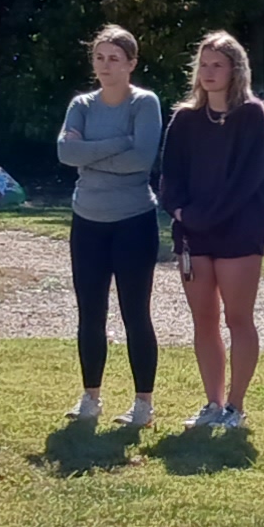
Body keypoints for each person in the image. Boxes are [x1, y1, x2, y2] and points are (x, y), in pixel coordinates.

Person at [156, 31, 264, 434]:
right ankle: (213, 402)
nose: (208, 72)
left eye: (217, 65)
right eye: (203, 65)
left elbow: (247, 180)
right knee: (202, 320)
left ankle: (236, 407)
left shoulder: (253, 116)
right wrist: (182, 212)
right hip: (193, 235)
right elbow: (168, 177)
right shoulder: (185, 119)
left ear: (234, 70)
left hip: (239, 232)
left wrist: (205, 216)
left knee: (238, 318)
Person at [55, 25, 166, 427]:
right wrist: (117, 143)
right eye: (99, 58)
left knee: (135, 311)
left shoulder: (144, 103)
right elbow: (66, 152)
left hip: (134, 221)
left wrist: (91, 154)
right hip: (87, 221)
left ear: (131, 63)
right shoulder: (81, 105)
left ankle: (143, 403)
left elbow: (141, 160)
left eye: (114, 58)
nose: (105, 66)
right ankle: (90, 396)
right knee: (90, 312)